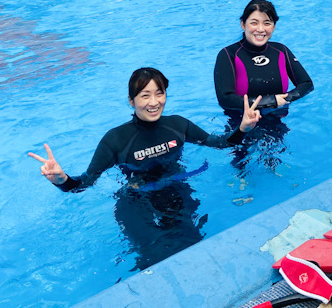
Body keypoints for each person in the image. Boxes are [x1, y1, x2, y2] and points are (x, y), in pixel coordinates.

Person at [29, 67, 262, 269]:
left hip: (174, 192)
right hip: (135, 199)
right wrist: (62, 180)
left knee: (192, 248)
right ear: (131, 100)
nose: (154, 102)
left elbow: (219, 144)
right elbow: (83, 184)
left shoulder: (177, 126)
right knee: (154, 255)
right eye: (145, 95)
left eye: (159, 94)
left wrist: (242, 129)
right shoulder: (116, 139)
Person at [213, 0, 313, 172]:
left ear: (273, 26)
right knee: (242, 162)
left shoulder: (281, 51)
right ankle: (241, 181)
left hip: (276, 117)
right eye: (254, 22)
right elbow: (225, 99)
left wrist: (287, 98)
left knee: (275, 158)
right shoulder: (228, 54)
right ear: (243, 24)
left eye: (267, 23)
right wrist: (271, 101)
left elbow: (306, 84)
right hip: (241, 122)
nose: (260, 29)